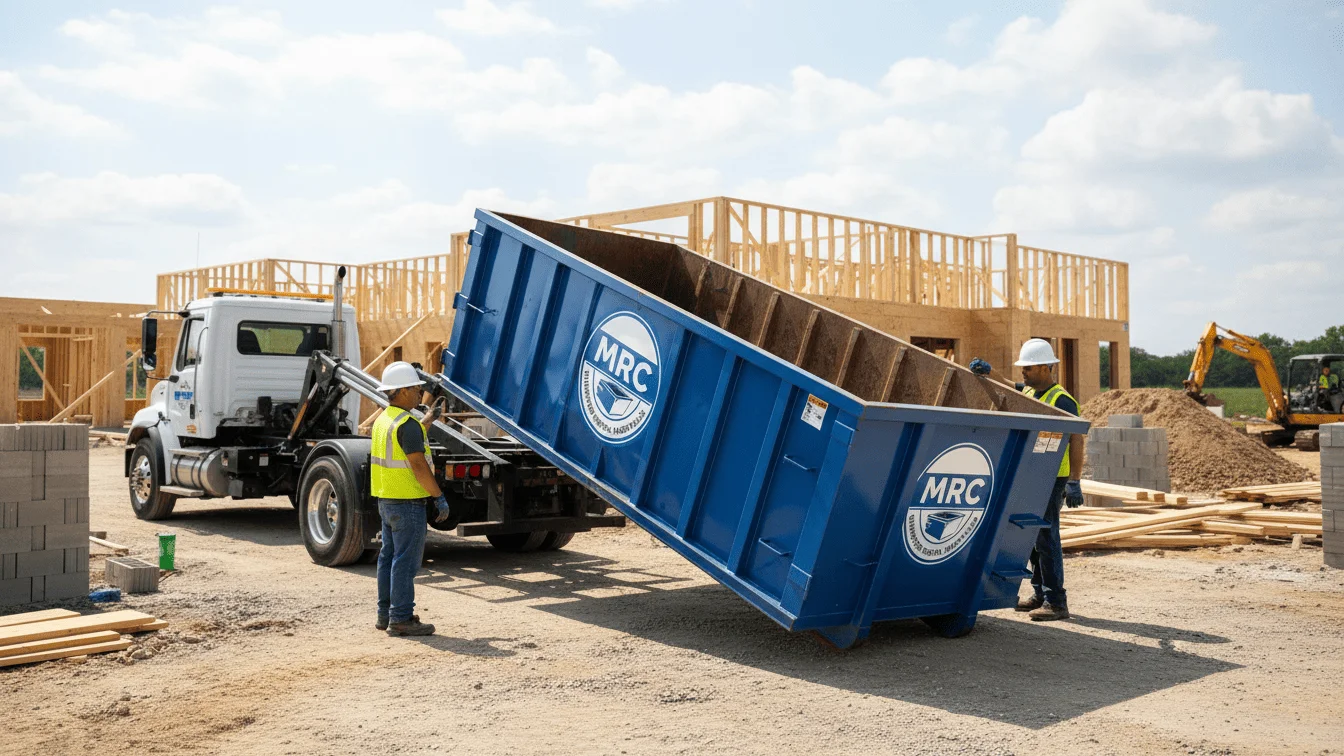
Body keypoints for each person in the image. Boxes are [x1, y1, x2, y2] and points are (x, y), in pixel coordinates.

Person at [371, 361, 453, 637]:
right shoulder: (406, 424)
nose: (420, 393)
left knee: (389, 558)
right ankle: (402, 618)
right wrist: (439, 496)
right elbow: (418, 465)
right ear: (403, 391)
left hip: (387, 501)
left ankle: (386, 614)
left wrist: (428, 420)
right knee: (405, 563)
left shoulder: (384, 420)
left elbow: (406, 440)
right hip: (408, 503)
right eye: (417, 389)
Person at [1013, 339, 1085, 622]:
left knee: (1047, 537)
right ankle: (1040, 594)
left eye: (1028, 368)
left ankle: (1056, 601)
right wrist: (987, 372)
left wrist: (1075, 481)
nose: (1024, 373)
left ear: (1045, 367)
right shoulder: (1030, 391)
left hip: (1054, 477)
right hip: (1034, 474)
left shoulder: (1062, 400)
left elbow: (1077, 439)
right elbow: (1008, 384)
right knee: (1032, 537)